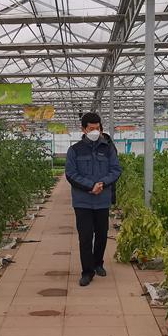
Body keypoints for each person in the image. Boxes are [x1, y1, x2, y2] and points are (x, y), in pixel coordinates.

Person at [65, 112, 122, 286]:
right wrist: (91, 186)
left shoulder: (108, 148)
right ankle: (87, 272)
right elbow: (71, 174)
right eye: (91, 128)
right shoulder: (75, 150)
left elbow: (116, 170)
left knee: (102, 235)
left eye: (97, 128)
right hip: (83, 201)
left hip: (102, 200)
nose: (95, 131)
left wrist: (102, 184)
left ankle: (98, 263)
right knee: (85, 237)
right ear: (83, 129)